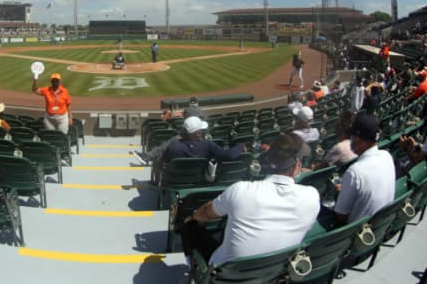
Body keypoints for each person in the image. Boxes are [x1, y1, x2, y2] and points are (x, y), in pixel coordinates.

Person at [181, 133, 319, 266]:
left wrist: (193, 217)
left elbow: (204, 214)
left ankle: (194, 266)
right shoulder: (312, 196)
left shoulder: (241, 190)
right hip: (274, 272)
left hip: (224, 275)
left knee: (190, 224)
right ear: (296, 167)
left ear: (267, 160)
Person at [335, 112, 395, 223]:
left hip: (356, 232)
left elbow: (341, 216)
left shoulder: (354, 172)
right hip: (380, 225)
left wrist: (339, 194)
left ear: (358, 139)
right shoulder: (387, 156)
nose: (350, 140)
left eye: (352, 137)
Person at [162, 117, 244, 163]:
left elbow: (165, 162)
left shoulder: (173, 147)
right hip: (199, 181)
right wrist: (241, 146)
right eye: (201, 130)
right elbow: (229, 155)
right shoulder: (207, 145)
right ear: (198, 133)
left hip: (176, 183)